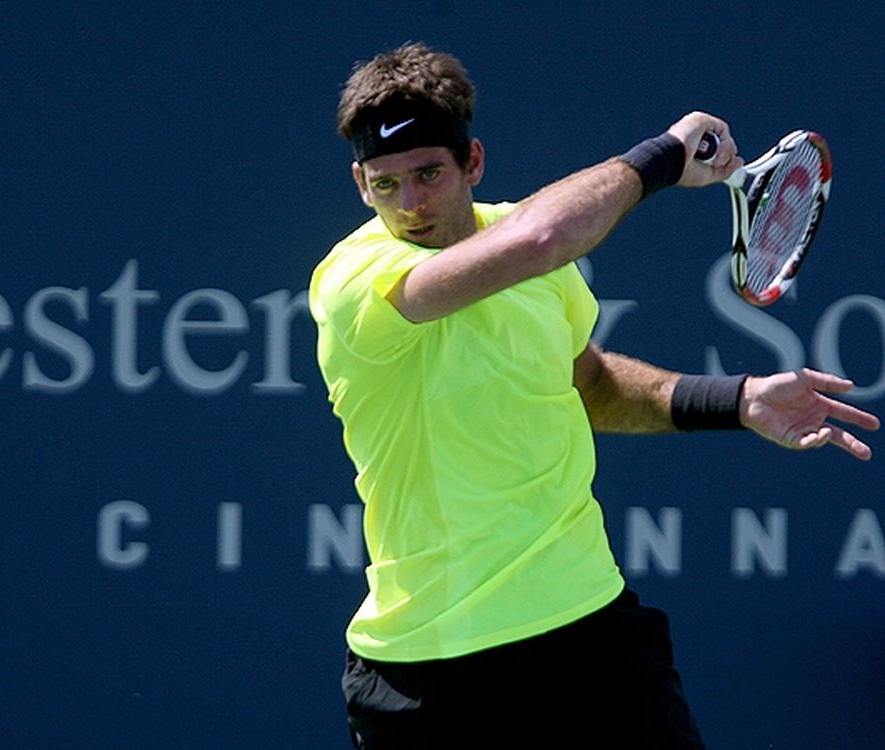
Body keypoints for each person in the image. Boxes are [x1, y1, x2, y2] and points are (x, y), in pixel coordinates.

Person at [308, 42, 879, 748]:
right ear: (361, 184)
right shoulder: (354, 280)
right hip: (432, 677)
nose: (411, 205)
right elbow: (545, 235)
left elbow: (591, 384)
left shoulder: (528, 249)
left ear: (472, 163)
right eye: (386, 184)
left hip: (590, 637)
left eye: (428, 174)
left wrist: (735, 399)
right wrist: (663, 156)